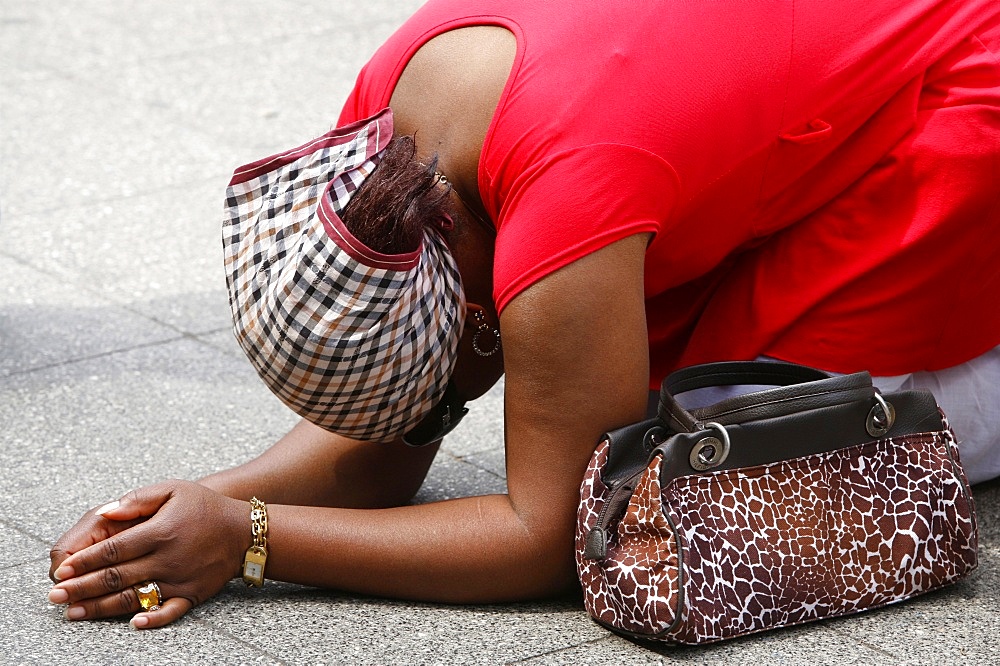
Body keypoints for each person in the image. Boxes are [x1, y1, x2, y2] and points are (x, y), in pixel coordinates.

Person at [48, 0, 1000, 629]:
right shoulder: (386, 141)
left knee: (729, 461)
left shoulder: (566, 199)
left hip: (955, 87)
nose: (439, 422)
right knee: (640, 398)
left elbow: (553, 536)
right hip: (807, 86)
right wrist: (176, 515)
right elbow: (380, 445)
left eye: (438, 398)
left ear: (472, 317)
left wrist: (251, 539)